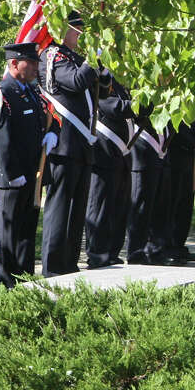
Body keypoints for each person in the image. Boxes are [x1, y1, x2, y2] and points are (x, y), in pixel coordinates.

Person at [37, 10, 111, 276]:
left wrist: (103, 69)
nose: (82, 33)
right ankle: (53, 266)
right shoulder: (53, 56)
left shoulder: (76, 58)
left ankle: (69, 261)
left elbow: (102, 88)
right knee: (60, 207)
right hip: (64, 141)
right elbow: (76, 82)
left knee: (77, 206)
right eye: (77, 28)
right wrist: (93, 60)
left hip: (81, 142)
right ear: (62, 30)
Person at [0, 42, 55, 287]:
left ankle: (25, 278)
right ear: (15, 63)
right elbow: (1, 136)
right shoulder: (3, 92)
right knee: (10, 232)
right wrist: (12, 173)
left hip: (33, 173)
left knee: (27, 230)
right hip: (14, 176)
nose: (36, 67)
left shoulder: (33, 92)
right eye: (32, 62)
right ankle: (7, 283)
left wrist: (54, 133)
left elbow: (49, 118)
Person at [84, 73, 134, 268]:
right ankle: (97, 252)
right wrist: (144, 105)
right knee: (100, 205)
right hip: (104, 152)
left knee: (118, 206)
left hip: (121, 154)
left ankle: (112, 250)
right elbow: (113, 107)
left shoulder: (120, 84)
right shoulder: (101, 81)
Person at [126, 104, 176, 265]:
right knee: (141, 206)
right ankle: (136, 251)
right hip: (144, 148)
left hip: (162, 151)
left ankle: (155, 250)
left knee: (160, 206)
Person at [164, 114, 195, 262]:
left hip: (189, 158)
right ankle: (168, 247)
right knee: (173, 203)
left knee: (186, 204)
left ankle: (179, 245)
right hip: (173, 154)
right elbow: (174, 121)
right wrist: (192, 142)